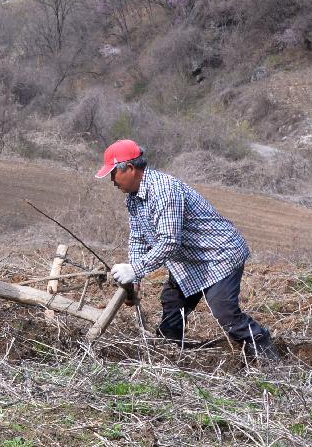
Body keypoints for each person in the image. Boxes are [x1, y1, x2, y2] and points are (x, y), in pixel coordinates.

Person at [96, 139, 277, 360]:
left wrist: (137, 268)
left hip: (219, 255)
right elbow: (138, 237)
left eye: (113, 173)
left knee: (225, 313)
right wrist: (134, 277)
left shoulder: (163, 190)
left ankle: (266, 351)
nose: (112, 180)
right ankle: (169, 357)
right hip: (189, 259)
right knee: (172, 303)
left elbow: (170, 241)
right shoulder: (133, 199)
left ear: (131, 169)